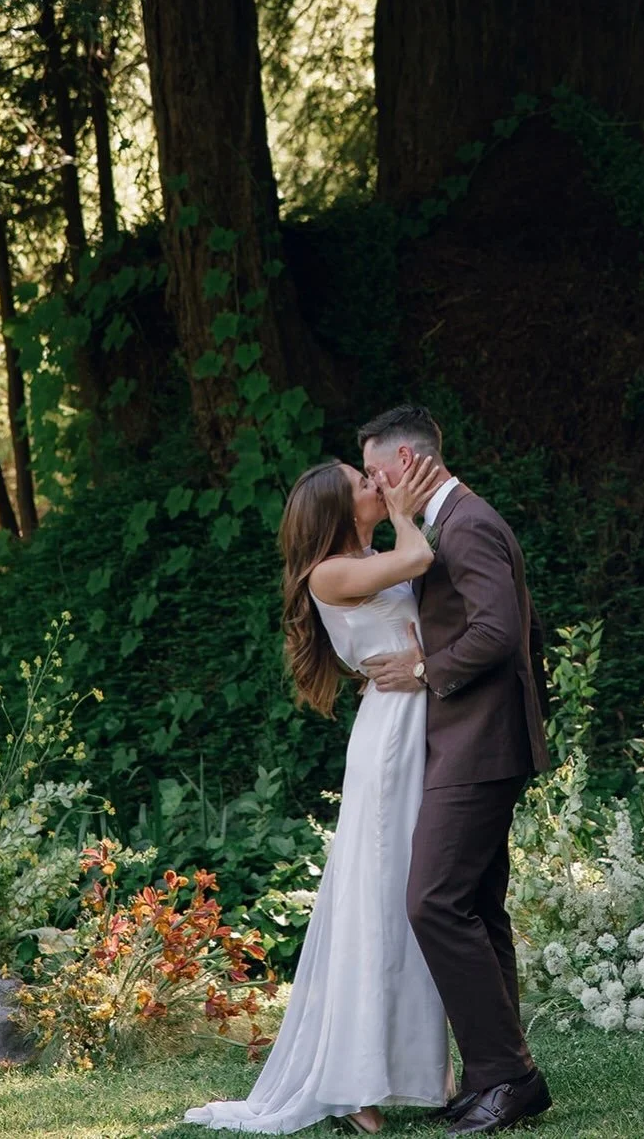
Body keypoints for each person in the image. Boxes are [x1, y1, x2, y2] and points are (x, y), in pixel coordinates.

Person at [184, 453, 454, 1134]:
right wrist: (403, 513)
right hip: (391, 736)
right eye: (363, 483)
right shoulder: (329, 572)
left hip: (413, 718)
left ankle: (421, 1072)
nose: (376, 485)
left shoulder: (360, 559)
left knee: (413, 898)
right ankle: (353, 1080)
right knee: (384, 897)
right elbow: (419, 558)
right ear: (339, 509)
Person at [359, 405, 552, 1135]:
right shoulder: (452, 522)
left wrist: (422, 669)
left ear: (408, 463)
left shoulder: (466, 524)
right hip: (477, 740)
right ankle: (496, 1076)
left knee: (432, 902)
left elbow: (501, 633)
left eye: (379, 474)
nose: (376, 490)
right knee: (475, 905)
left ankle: (508, 1076)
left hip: (478, 744)